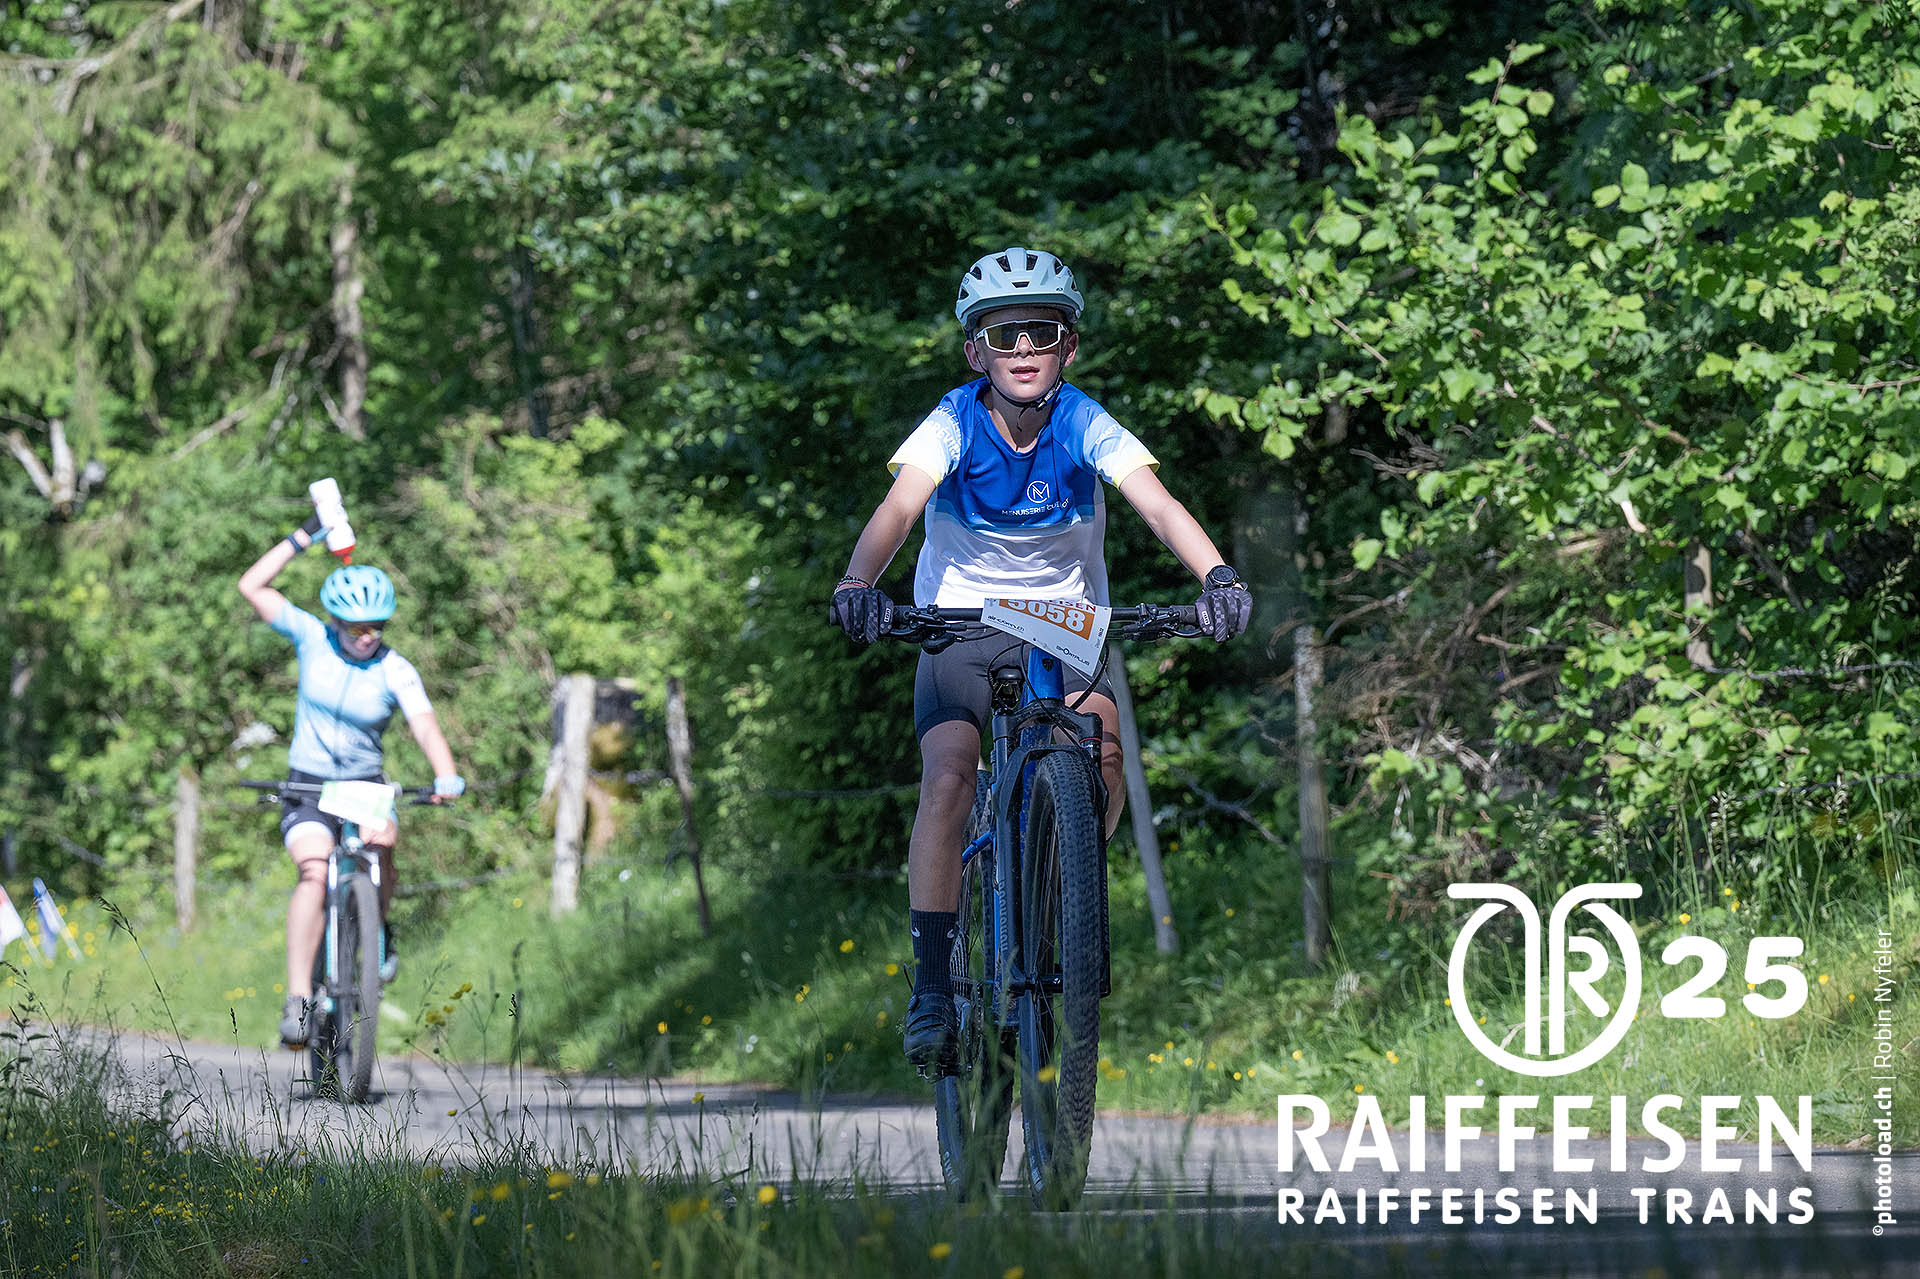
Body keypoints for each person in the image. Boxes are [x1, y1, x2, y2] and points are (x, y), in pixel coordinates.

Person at [830, 247, 1252, 1069]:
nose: (1023, 347)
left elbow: (1158, 505)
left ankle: (1058, 906)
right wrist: (858, 582)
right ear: (975, 351)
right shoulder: (952, 421)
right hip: (957, 622)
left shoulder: (1084, 420)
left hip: (1063, 625)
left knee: (1102, 755)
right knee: (949, 778)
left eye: (1042, 332)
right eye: (1004, 334)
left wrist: (1217, 575)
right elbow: (899, 506)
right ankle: (932, 985)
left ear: (1069, 347)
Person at [239, 519, 464, 1048]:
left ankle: (377, 934)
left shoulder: (395, 669)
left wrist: (445, 773)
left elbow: (424, 724)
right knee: (313, 872)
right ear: (336, 621)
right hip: (309, 786)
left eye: (376, 627)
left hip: (363, 786)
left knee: (382, 845)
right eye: (356, 628)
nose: (366, 637)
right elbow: (252, 586)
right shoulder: (312, 639)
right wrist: (305, 536)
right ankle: (298, 997)